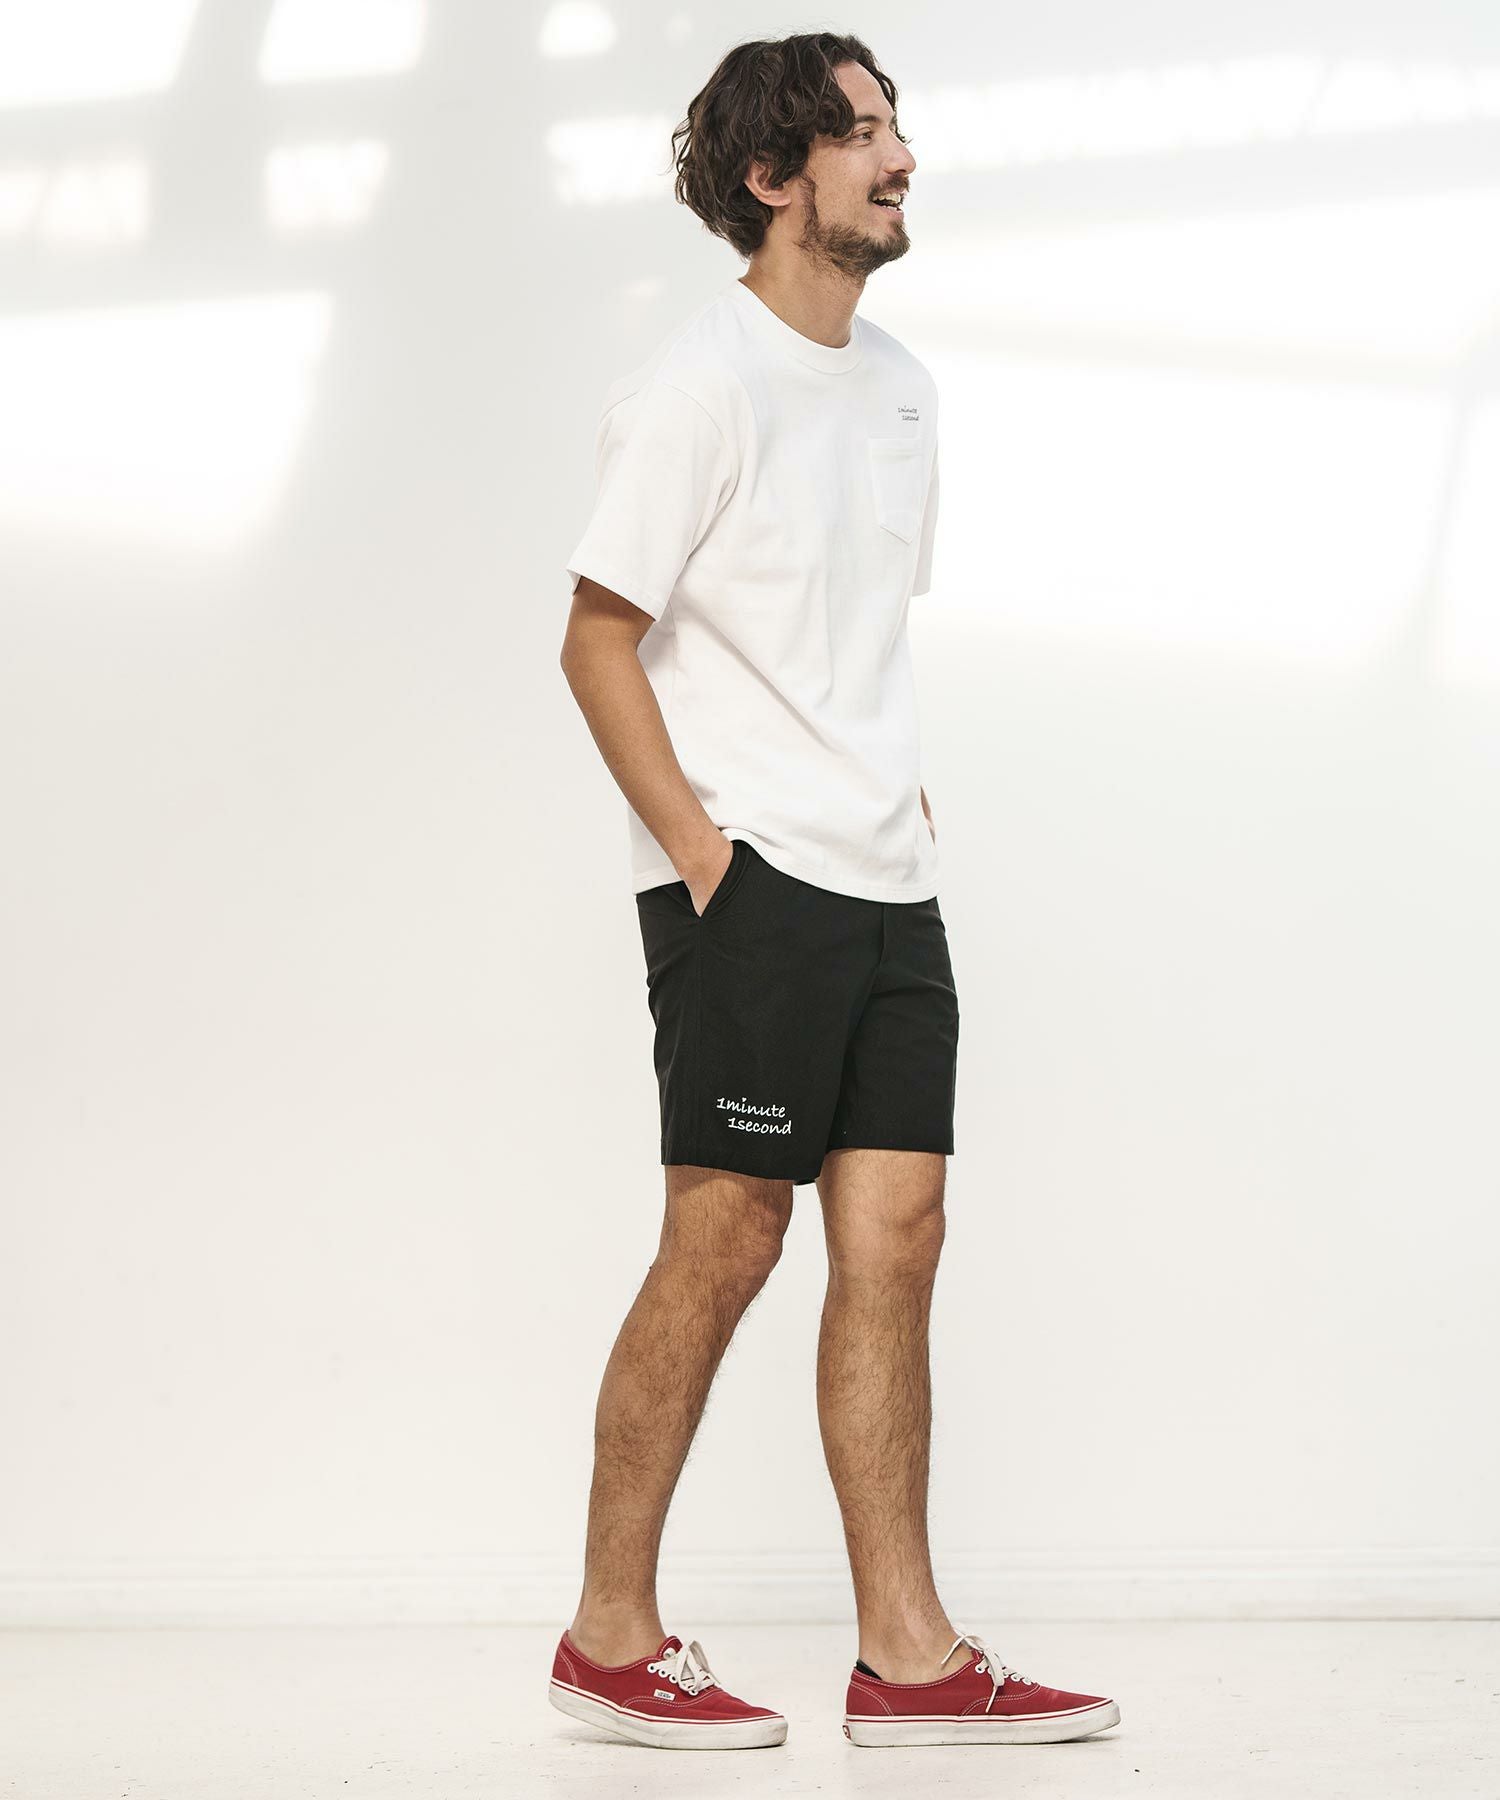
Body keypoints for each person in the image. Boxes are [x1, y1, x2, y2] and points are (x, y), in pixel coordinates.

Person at [552, 32, 1121, 1752]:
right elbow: (597, 642)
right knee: (726, 1238)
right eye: (863, 133)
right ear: (770, 175)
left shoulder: (904, 390)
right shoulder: (693, 386)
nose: (901, 156)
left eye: (896, 125)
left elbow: (851, 631)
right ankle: (607, 1638)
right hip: (755, 886)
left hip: (890, 880)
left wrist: (896, 797)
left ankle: (910, 1658)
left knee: (900, 1240)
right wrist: (705, 859)